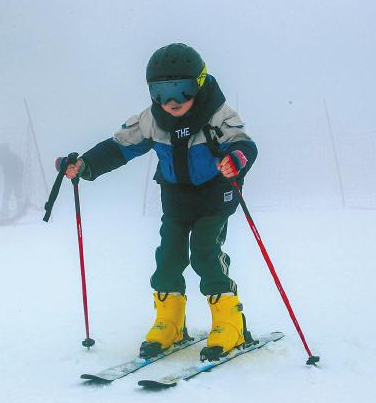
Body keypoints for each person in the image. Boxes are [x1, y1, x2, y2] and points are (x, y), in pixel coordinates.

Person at [60, 43, 258, 362]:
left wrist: (237, 159)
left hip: (215, 194)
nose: (172, 101)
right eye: (161, 92)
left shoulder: (218, 115)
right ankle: (170, 322)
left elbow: (244, 145)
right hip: (177, 197)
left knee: (205, 252)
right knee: (168, 257)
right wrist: (84, 165)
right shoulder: (151, 120)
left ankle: (229, 323)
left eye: (181, 90)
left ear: (200, 83)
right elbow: (118, 148)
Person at [0, 143, 26, 218]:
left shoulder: (12, 156)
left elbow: (21, 164)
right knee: (7, 194)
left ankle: (20, 208)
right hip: (9, 179)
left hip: (16, 178)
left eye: (1, 150)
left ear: (5, 150)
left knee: (17, 193)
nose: (0, 152)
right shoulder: (1, 157)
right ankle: (6, 210)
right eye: (0, 150)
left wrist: (20, 174)